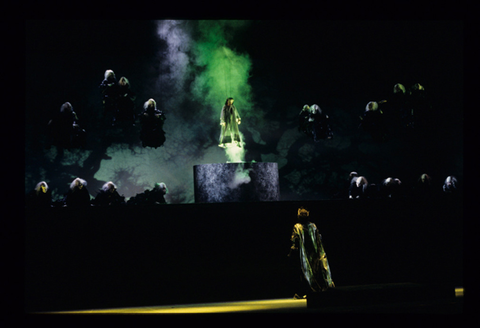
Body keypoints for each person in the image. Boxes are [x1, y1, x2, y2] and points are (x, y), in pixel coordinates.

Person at [288, 207, 335, 298]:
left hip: (305, 254)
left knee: (305, 272)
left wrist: (291, 253)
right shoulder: (313, 226)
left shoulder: (298, 227)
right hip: (315, 253)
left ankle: (307, 291)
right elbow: (319, 239)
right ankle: (315, 290)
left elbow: (295, 241)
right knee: (314, 272)